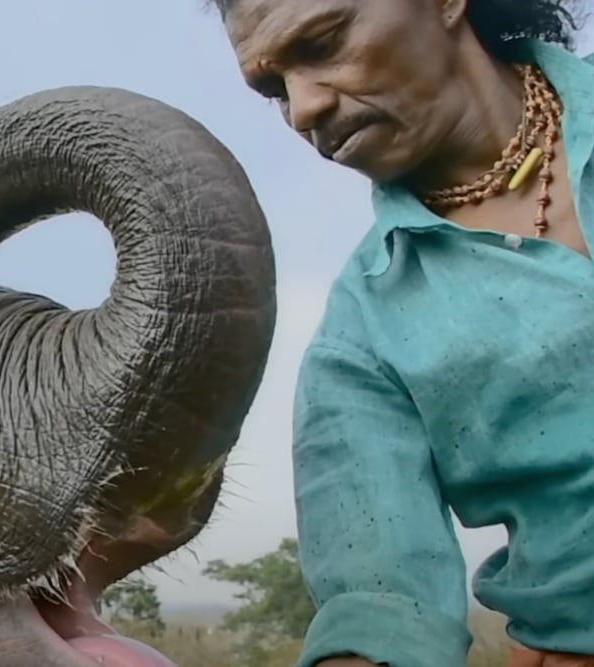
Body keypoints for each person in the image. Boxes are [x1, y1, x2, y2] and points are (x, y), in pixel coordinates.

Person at [209, 0, 594, 666]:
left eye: (324, 43)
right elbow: (380, 606)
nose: (302, 109)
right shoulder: (360, 342)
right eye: (275, 89)